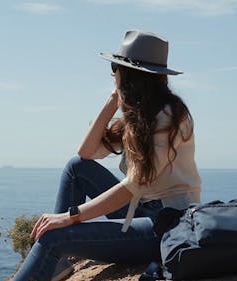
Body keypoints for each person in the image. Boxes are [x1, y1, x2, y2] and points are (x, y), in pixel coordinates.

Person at [11, 30, 202, 281]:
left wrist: (70, 217)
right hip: (143, 211)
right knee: (77, 167)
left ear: (131, 74)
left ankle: (54, 253)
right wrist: (113, 100)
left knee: (53, 237)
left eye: (115, 67)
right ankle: (58, 263)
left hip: (166, 225)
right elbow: (86, 152)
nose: (112, 74)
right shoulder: (141, 114)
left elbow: (134, 185)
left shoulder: (167, 116)